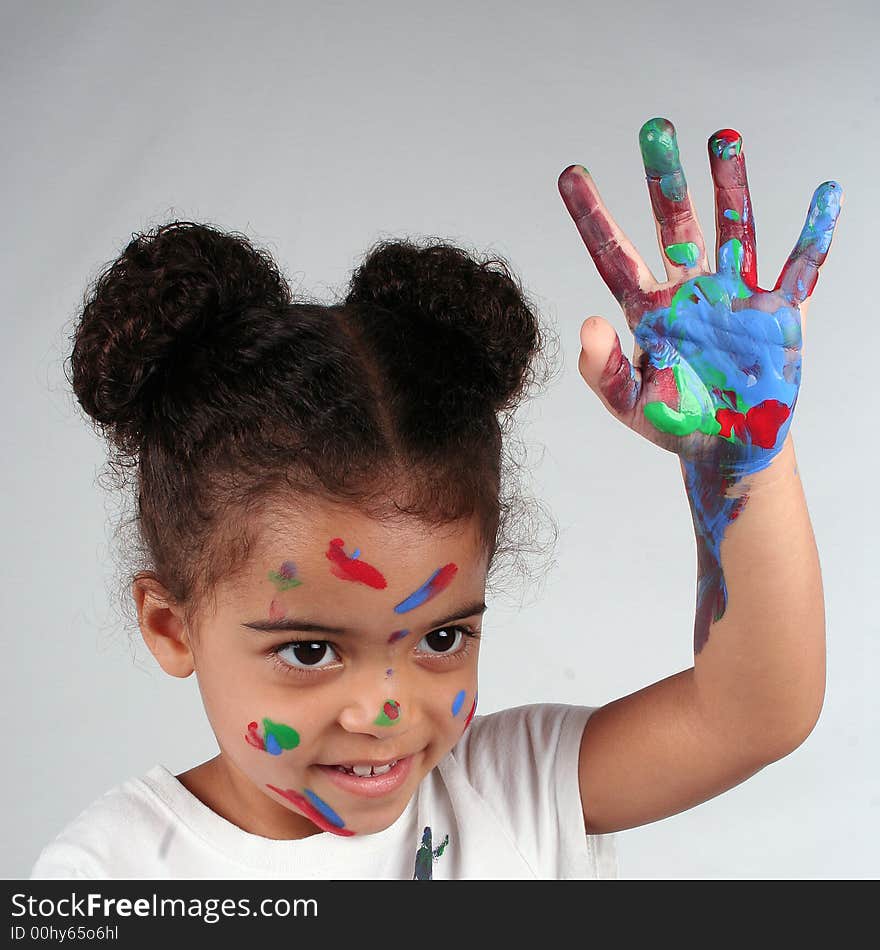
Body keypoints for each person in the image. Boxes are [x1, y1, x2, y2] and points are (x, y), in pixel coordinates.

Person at [30, 117, 841, 880]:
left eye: (442, 637)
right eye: (310, 651)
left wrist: (745, 466)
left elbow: (755, 714)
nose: (384, 713)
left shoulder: (511, 794)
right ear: (172, 626)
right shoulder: (113, 874)